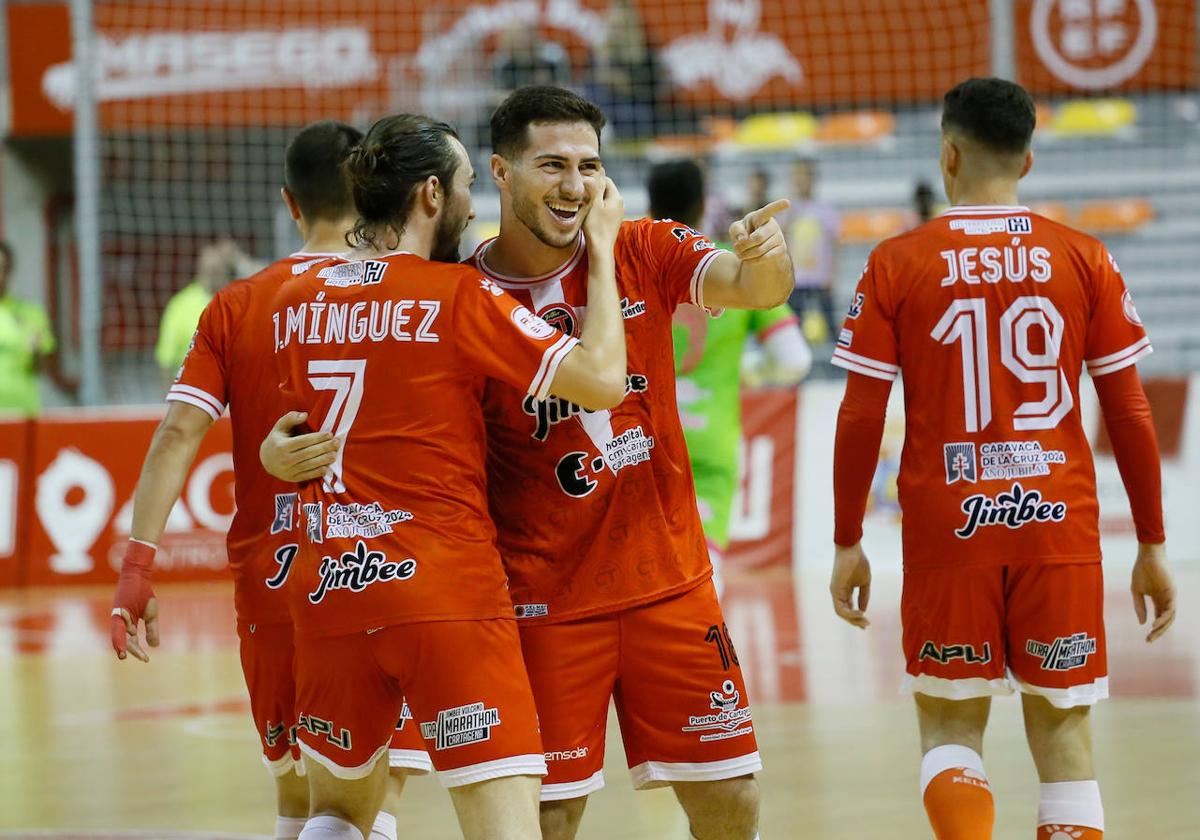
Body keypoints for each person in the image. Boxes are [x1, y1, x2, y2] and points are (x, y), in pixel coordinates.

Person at [828, 77, 1177, 840]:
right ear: (1027, 160)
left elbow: (861, 413)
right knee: (1064, 738)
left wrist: (846, 537)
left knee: (951, 728)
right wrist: (1151, 541)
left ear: (947, 154)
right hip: (1057, 528)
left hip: (951, 529)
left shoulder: (896, 261)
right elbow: (1129, 410)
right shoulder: (1083, 256)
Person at [269, 112, 627, 840]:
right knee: (504, 823)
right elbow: (602, 381)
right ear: (431, 195)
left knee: (337, 815)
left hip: (331, 589)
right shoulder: (457, 295)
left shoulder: (295, 302)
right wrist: (605, 253)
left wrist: (275, 458)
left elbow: (289, 437)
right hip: (444, 594)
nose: (473, 203)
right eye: (468, 185)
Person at [109, 121, 430, 840]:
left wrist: (137, 565)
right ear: (370, 190)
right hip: (382, 562)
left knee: (297, 800)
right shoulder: (415, 291)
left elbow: (177, 434)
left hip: (275, 573)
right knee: (368, 803)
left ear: (289, 202)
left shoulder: (236, 305)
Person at [654, 159, 811, 596]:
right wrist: (751, 371)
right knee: (704, 574)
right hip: (710, 442)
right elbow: (795, 360)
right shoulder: (728, 270)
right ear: (704, 206)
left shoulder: (629, 264)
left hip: (643, 440)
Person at [155, 238, 259, 385]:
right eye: (209, 269)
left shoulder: (238, 299)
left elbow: (271, 279)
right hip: (193, 389)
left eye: (217, 269)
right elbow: (165, 360)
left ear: (226, 270)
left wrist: (238, 259)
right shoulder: (180, 305)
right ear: (199, 269)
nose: (212, 275)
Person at [784, 158, 840, 343]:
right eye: (797, 176)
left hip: (820, 277)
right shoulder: (788, 210)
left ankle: (835, 367)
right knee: (794, 327)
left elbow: (835, 244)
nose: (801, 181)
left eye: (804, 176)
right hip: (797, 280)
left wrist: (832, 275)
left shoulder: (825, 210)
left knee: (830, 324)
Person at [0, 240, 55, 414]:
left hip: (22, 413)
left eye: (3, 268)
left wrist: (36, 352)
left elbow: (43, 369)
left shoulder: (31, 314)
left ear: (10, 271)